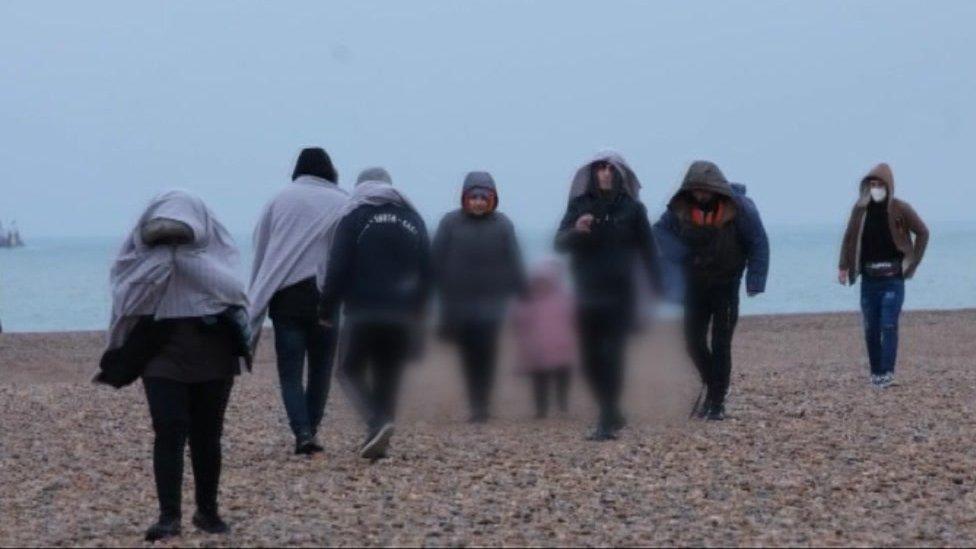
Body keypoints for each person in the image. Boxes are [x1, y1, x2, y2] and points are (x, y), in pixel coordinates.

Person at [95, 190, 250, 542]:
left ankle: (207, 511)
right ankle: (169, 516)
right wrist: (163, 262)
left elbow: (235, 291)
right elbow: (126, 300)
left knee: (207, 435)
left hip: (213, 348)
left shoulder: (217, 254)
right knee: (169, 428)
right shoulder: (140, 259)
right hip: (160, 349)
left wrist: (186, 261)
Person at [318, 168, 430, 459]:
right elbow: (427, 270)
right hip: (403, 313)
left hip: (363, 310)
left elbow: (338, 265)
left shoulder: (354, 216)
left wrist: (327, 307)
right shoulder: (413, 218)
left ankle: (376, 421)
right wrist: (420, 311)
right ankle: (379, 438)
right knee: (388, 372)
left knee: (349, 369)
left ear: (360, 188)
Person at [555, 151, 662, 441]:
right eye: (600, 168)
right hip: (586, 293)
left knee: (613, 355)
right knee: (589, 360)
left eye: (611, 169)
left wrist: (657, 284)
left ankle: (605, 419)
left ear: (620, 175)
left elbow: (649, 251)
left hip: (619, 295)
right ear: (592, 174)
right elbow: (559, 244)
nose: (605, 173)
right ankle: (612, 409)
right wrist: (577, 231)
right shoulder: (579, 206)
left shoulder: (633, 209)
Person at [248, 147, 348, 455]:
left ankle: (302, 432)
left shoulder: (281, 198)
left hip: (287, 295)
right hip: (326, 295)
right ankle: (312, 428)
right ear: (330, 170)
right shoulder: (344, 201)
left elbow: (261, 243)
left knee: (290, 371)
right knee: (321, 368)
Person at [654, 161, 769, 421]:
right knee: (692, 342)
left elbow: (758, 243)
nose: (701, 195)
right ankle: (715, 385)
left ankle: (716, 403)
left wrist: (755, 281)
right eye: (696, 190)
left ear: (717, 188)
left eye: (706, 190)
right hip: (694, 287)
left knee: (721, 344)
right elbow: (658, 233)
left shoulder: (741, 209)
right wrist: (678, 255)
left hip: (726, 286)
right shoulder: (679, 209)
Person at [431, 171, 526, 423]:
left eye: (485, 197)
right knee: (468, 354)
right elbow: (435, 260)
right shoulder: (450, 223)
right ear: (465, 198)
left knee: (487, 352)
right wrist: (430, 292)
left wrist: (523, 292)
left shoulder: (503, 224)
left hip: (492, 303)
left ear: (493, 199)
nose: (479, 202)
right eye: (474, 197)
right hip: (458, 303)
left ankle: (482, 404)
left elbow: (514, 260)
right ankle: (475, 402)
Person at [838, 163, 928, 388]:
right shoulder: (860, 210)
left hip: (893, 278)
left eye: (880, 184)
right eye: (872, 184)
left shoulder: (900, 209)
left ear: (888, 186)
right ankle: (876, 372)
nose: (876, 188)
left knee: (889, 325)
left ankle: (888, 372)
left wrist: (913, 262)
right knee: (871, 327)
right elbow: (849, 238)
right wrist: (843, 266)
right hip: (869, 279)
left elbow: (923, 232)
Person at [510, 258, 575, 419]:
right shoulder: (527, 300)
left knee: (563, 375)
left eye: (545, 281)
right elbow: (519, 321)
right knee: (539, 380)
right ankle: (541, 408)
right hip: (536, 348)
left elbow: (576, 320)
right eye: (538, 281)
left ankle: (562, 402)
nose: (542, 284)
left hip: (562, 346)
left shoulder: (564, 299)